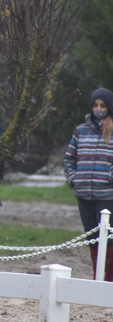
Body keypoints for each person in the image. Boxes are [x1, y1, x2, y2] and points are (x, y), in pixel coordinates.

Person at [64, 88, 113, 281]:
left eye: (102, 105)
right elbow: (69, 158)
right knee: (92, 239)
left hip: (107, 196)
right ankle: (96, 278)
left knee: (108, 239)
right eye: (95, 105)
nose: (98, 109)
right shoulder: (80, 130)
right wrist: (73, 178)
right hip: (83, 194)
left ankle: (109, 281)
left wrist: (109, 176)